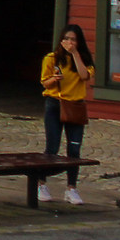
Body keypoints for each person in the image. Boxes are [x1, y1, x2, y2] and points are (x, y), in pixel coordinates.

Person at [39, 23, 93, 202]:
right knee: (52, 147)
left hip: (75, 105)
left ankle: (71, 188)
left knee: (74, 149)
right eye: (66, 39)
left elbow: (84, 76)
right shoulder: (51, 58)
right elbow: (44, 83)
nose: (69, 42)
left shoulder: (84, 58)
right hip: (55, 103)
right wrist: (54, 79)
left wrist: (75, 54)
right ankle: (41, 183)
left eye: (73, 40)